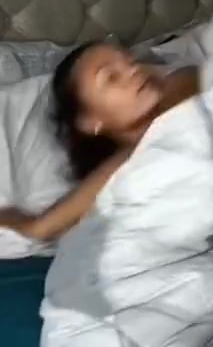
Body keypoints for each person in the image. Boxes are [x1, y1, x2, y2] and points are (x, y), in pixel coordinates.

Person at [0, 43, 200, 242]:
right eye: (112, 77)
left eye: (131, 62)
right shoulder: (112, 198)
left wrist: (43, 225)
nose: (134, 71)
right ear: (90, 122)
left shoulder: (185, 81)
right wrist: (37, 225)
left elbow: (163, 126)